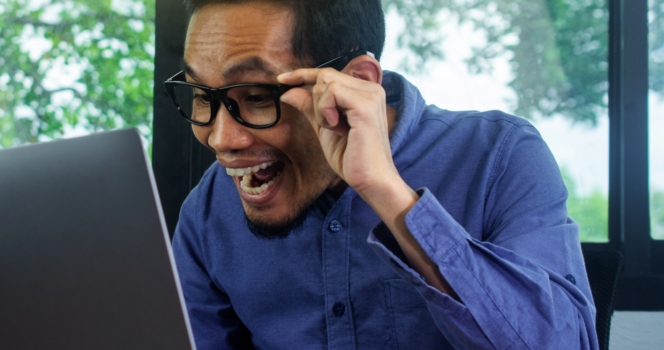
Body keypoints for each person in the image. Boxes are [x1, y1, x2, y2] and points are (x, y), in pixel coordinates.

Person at [165, 0, 598, 348]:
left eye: (258, 96)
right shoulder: (208, 211)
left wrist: (386, 191)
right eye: (200, 94)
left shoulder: (499, 156)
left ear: (355, 81)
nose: (221, 138)